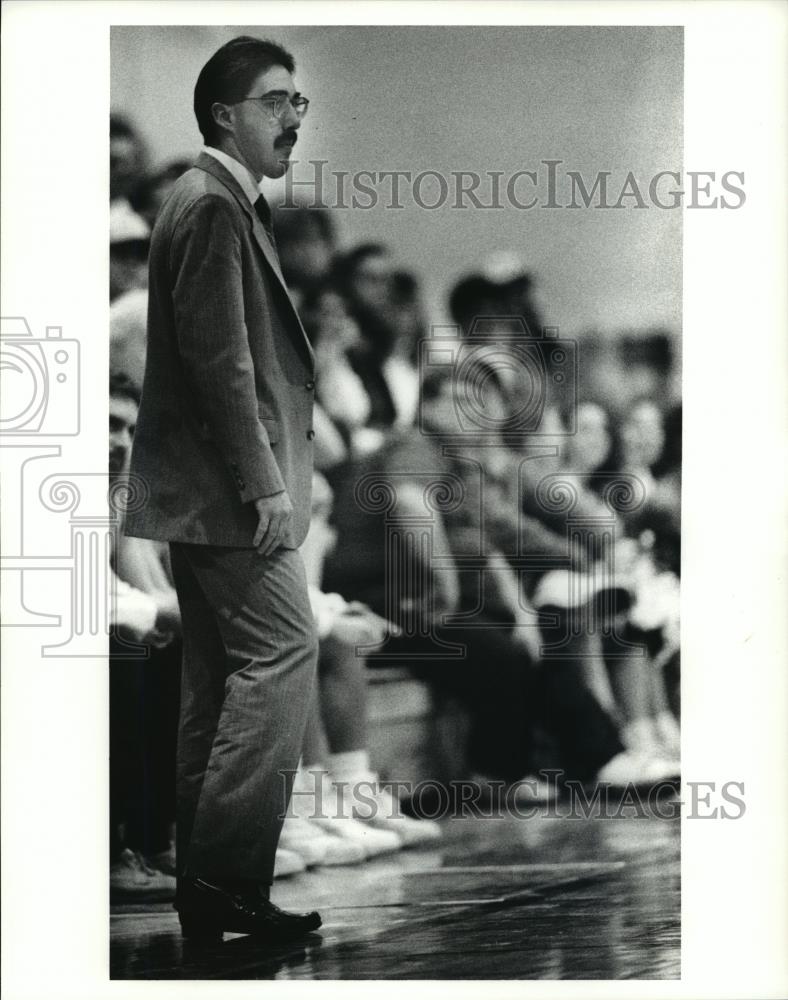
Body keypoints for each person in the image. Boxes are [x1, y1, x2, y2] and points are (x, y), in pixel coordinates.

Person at [124, 35, 322, 945]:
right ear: (223, 117)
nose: (291, 116)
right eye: (275, 100)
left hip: (203, 497)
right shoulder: (209, 206)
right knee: (282, 655)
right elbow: (219, 366)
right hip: (228, 494)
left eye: (296, 102)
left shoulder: (217, 203)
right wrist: (264, 484)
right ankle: (227, 880)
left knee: (220, 684)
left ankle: (211, 888)